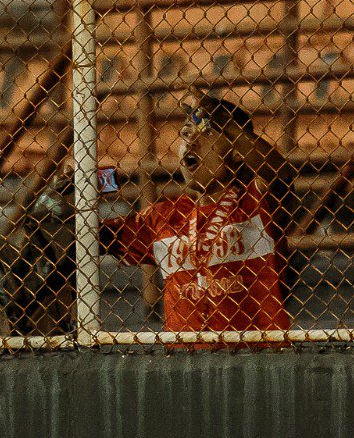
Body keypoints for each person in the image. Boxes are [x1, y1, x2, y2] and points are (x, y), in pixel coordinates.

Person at [100, 94, 294, 336]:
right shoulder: (164, 216)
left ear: (237, 150)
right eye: (186, 134)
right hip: (185, 360)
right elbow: (93, 239)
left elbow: (279, 173)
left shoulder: (256, 201)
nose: (191, 141)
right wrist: (82, 190)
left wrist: (227, 123)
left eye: (207, 131)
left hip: (255, 353)